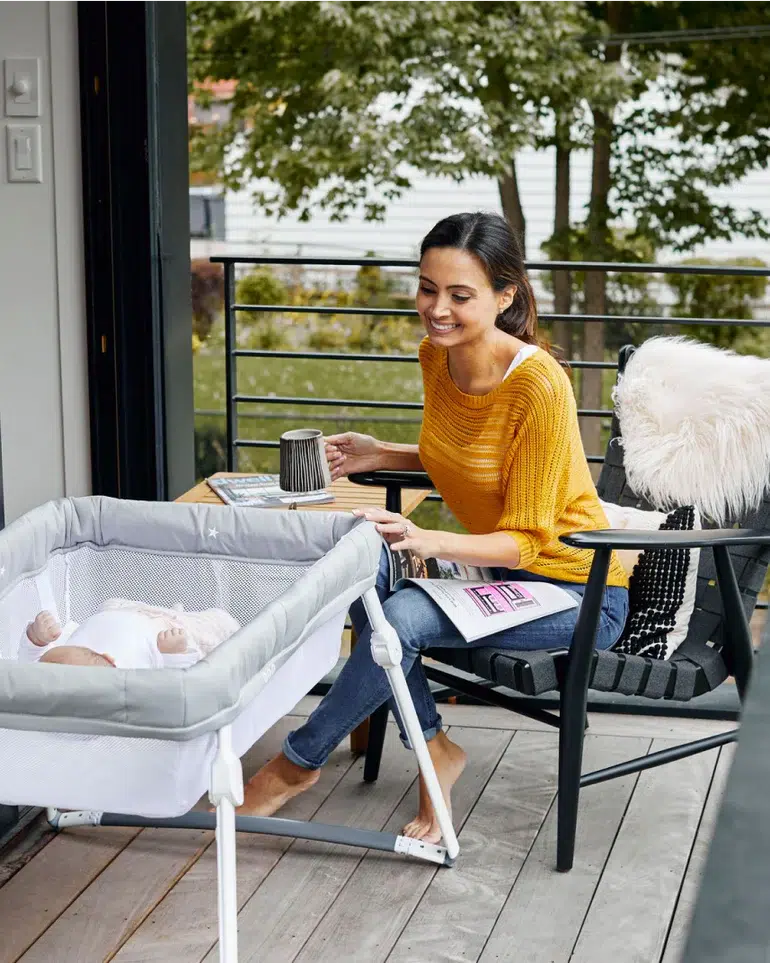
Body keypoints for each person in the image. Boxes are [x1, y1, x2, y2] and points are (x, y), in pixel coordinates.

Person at [238, 211, 629, 843]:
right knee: (362, 567)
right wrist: (383, 454)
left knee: (401, 618)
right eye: (427, 288)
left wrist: (427, 540)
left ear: (506, 296)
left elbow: (528, 539)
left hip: (576, 587)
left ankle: (296, 763)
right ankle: (433, 747)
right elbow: (472, 459)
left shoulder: (539, 386)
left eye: (460, 295)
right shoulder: (436, 358)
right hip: (496, 573)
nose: (437, 310)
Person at [18, 599, 240, 669]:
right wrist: (174, 654)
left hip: (116, 609)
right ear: (109, 660)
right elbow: (174, 687)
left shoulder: (39, 681)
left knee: (109, 602)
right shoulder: (132, 682)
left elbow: (27, 663)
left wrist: (37, 638)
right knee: (222, 624)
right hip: (169, 630)